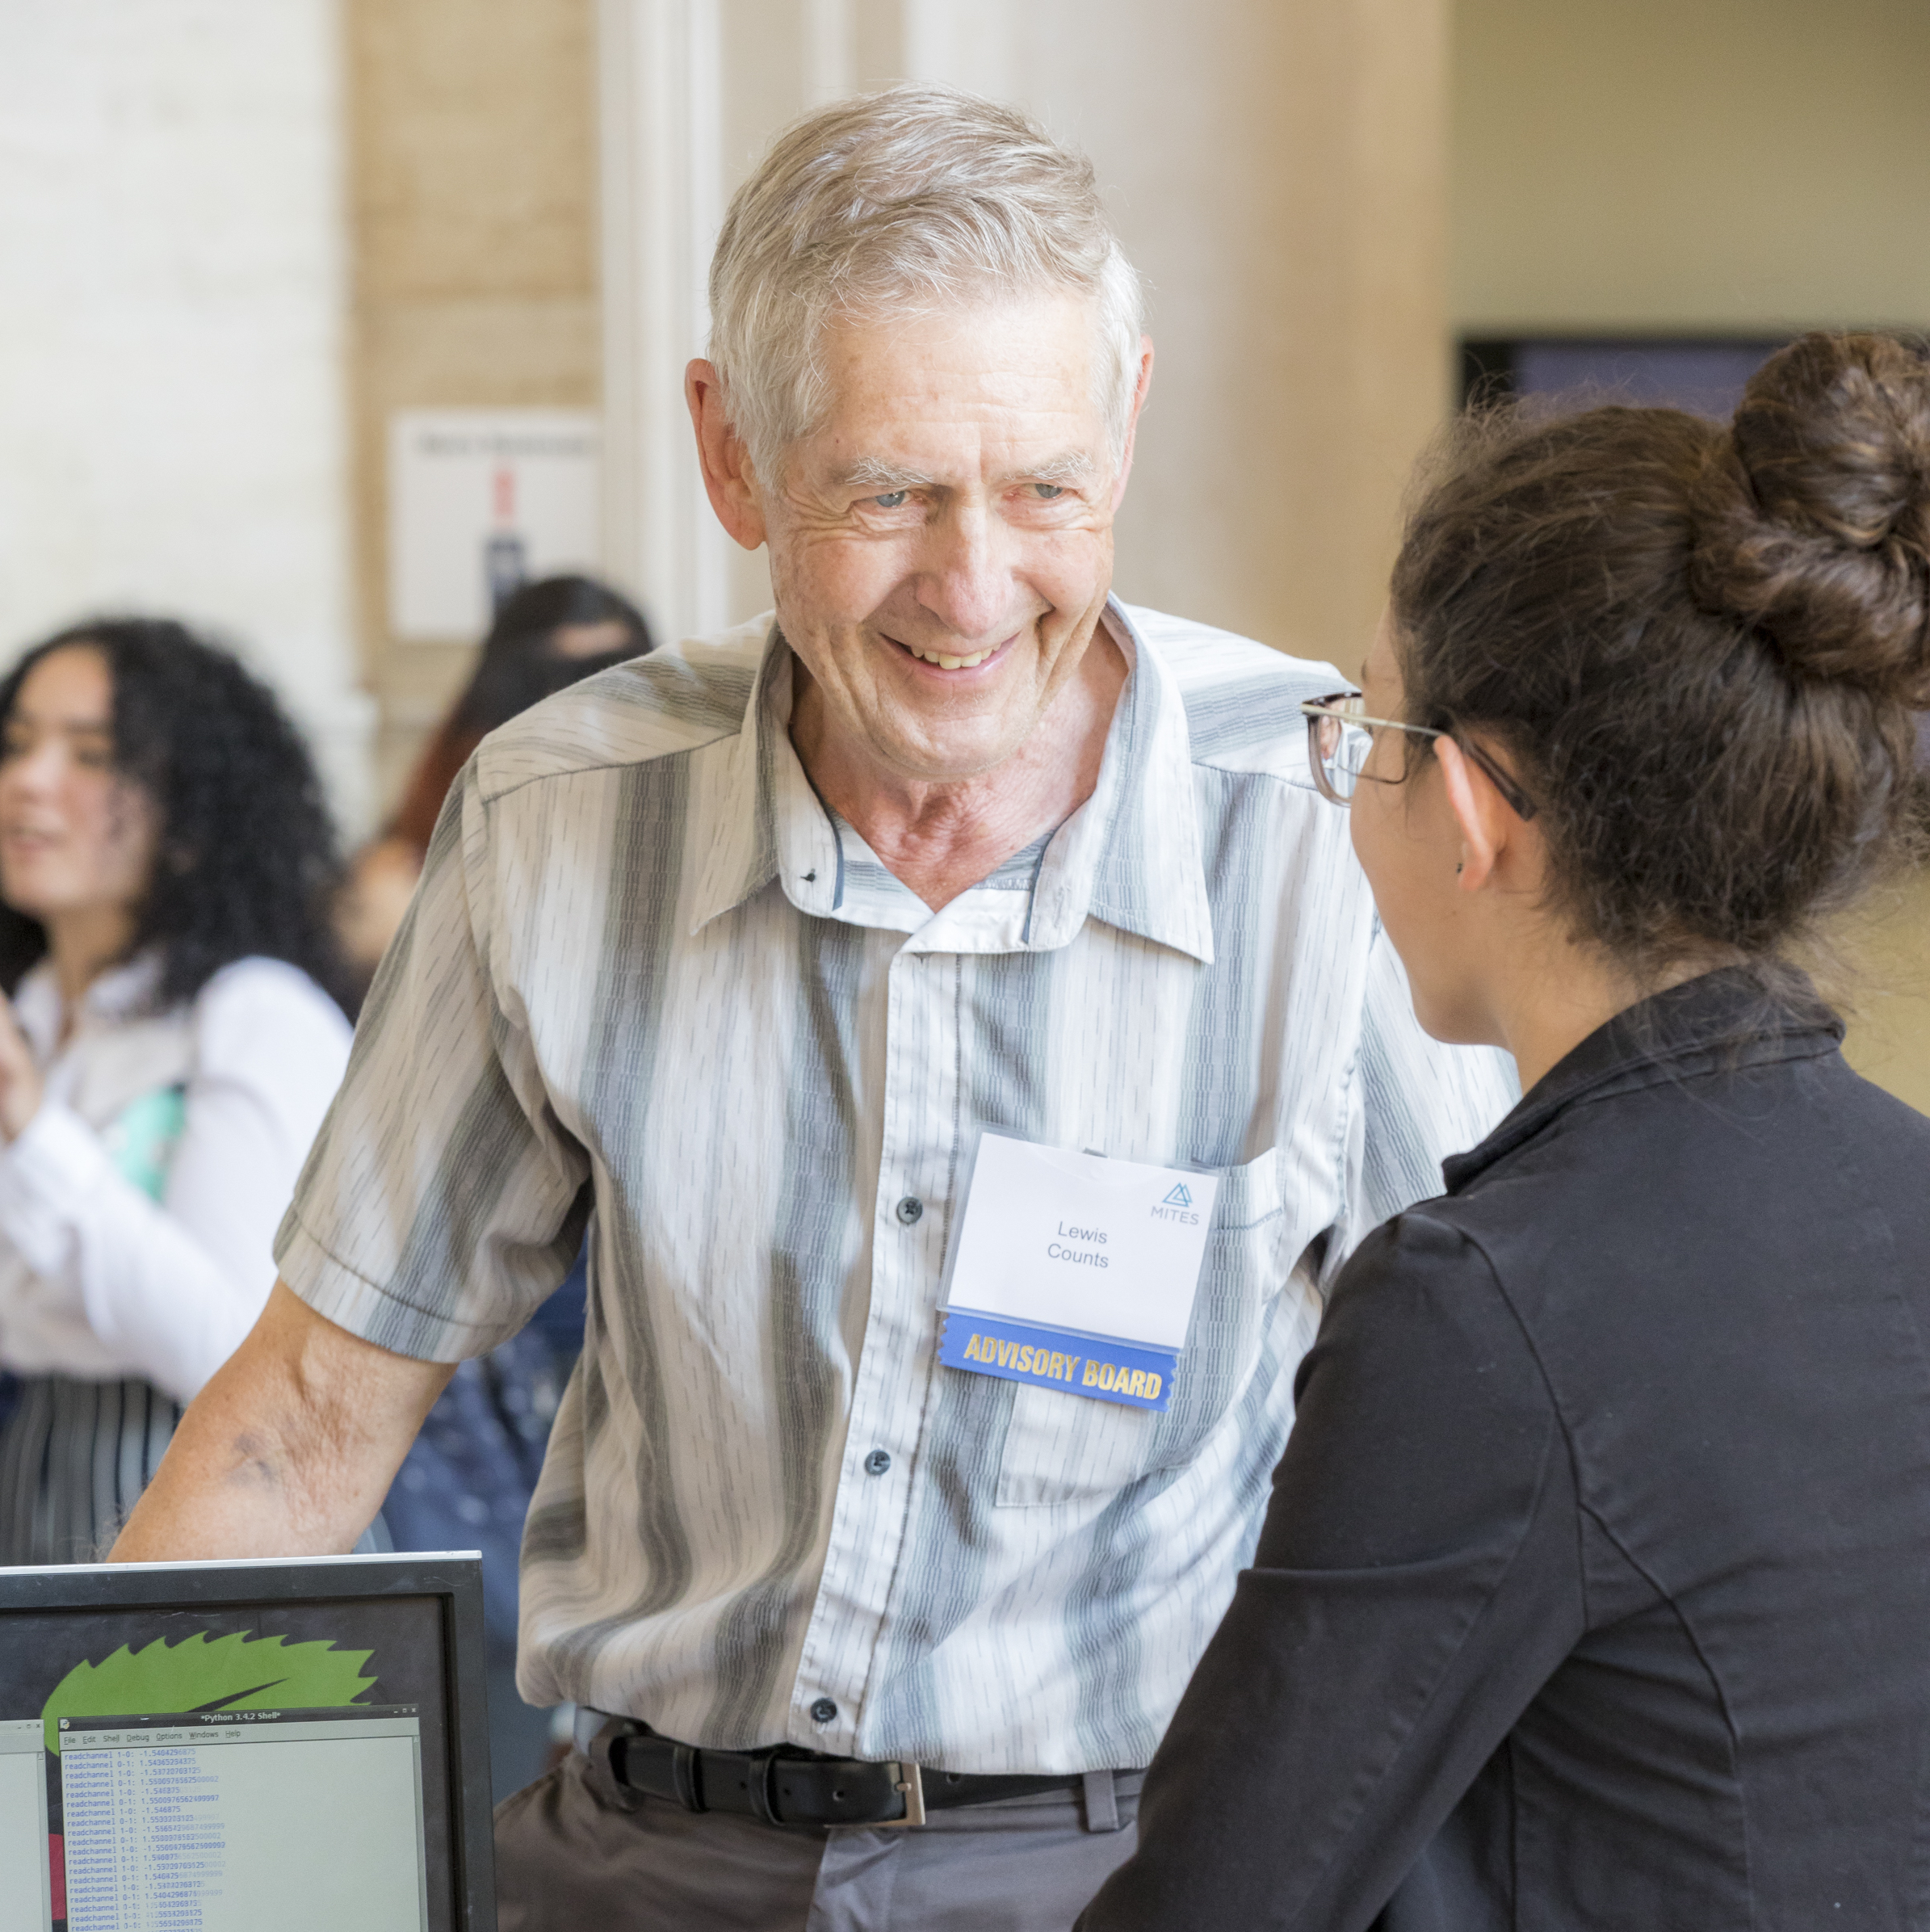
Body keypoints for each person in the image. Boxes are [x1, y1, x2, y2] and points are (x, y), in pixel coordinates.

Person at [109, 87, 1514, 1928]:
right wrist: (89, 1826)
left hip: (1140, 1865)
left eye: (1042, 487)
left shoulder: (1331, 816)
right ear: (734, 455)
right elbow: (302, 1420)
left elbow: (1510, 1461)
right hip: (637, 1859)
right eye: (890, 492)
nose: (973, 582)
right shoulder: (558, 815)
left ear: (1129, 425)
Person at [1076, 331, 1930, 1931]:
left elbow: (1226, 1897)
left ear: (1469, 808)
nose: (1351, 787)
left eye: (1370, 735)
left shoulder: (1478, 1303)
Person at [0, 619, 352, 1564]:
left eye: (93, 755)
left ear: (191, 817)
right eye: (18, 743)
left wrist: (30, 1129)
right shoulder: (33, 1012)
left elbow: (233, 1353)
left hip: (205, 1496)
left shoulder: (250, 1016)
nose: (30, 781)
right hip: (34, 1466)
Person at [337, 573, 653, 996]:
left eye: (611, 675)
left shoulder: (664, 825)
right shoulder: (424, 837)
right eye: (555, 677)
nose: (585, 706)